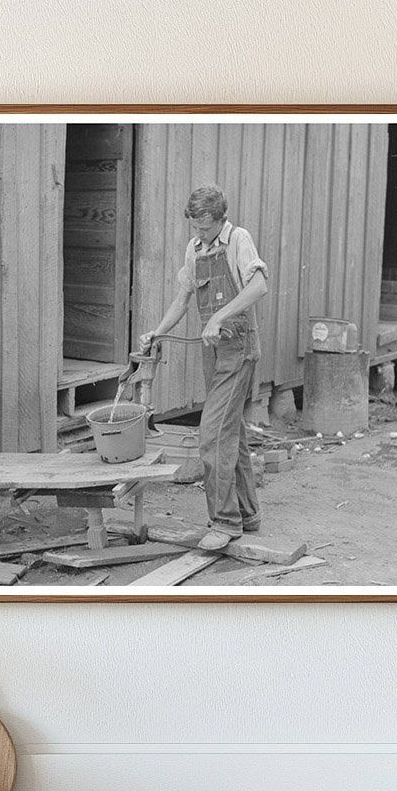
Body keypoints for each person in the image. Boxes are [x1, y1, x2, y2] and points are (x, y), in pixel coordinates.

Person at [139, 186, 269, 551]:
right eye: (194, 228)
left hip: (239, 347)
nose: (199, 235)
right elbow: (183, 297)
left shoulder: (238, 239)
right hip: (212, 352)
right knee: (233, 432)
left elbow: (258, 286)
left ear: (221, 219)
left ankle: (225, 522)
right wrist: (158, 332)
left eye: (205, 228)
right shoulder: (195, 250)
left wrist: (220, 317)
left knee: (211, 435)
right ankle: (248, 513)